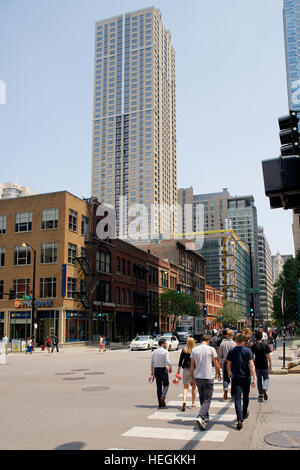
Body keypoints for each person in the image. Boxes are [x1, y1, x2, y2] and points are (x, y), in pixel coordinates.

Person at [190, 334, 221, 431]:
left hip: (198, 376)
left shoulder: (195, 350)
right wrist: (218, 373)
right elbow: (216, 363)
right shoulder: (211, 349)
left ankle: (205, 416)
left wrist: (192, 377)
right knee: (207, 398)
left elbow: (192, 365)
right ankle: (201, 416)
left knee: (202, 397)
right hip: (208, 376)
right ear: (208, 341)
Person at [227, 334, 256, 430]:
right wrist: (254, 378)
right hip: (246, 377)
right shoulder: (248, 351)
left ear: (236, 341)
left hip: (236, 378)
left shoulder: (232, 351)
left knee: (237, 399)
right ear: (243, 341)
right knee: (246, 397)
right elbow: (251, 365)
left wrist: (229, 372)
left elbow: (228, 363)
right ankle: (244, 413)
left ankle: (239, 419)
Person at [150, 338, 172, 408]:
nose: (166, 344)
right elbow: (167, 361)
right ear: (162, 344)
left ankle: (160, 403)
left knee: (158, 386)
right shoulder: (165, 351)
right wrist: (170, 367)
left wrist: (152, 373)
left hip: (156, 370)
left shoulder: (154, 352)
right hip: (163, 369)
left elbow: (152, 363)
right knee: (166, 384)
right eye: (165, 343)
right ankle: (163, 396)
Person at [177, 337, 197, 411]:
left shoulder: (184, 350)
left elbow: (180, 361)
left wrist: (178, 371)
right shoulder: (195, 350)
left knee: (185, 387)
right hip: (194, 370)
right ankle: (193, 402)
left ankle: (184, 401)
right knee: (194, 386)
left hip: (185, 369)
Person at [251, 331, 272, 402]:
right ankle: (265, 387)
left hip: (257, 364)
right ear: (262, 337)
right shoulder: (265, 344)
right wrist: (270, 364)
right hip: (264, 364)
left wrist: (253, 364)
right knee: (266, 378)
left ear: (255, 337)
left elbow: (252, 356)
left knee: (259, 379)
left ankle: (260, 394)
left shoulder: (254, 346)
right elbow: (268, 355)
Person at [218, 329, 236, 400]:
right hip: (233, 363)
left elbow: (220, 355)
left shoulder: (222, 344)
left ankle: (225, 388)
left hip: (225, 362)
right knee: (233, 379)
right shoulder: (234, 344)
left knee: (225, 378)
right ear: (232, 335)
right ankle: (233, 394)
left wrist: (220, 363)